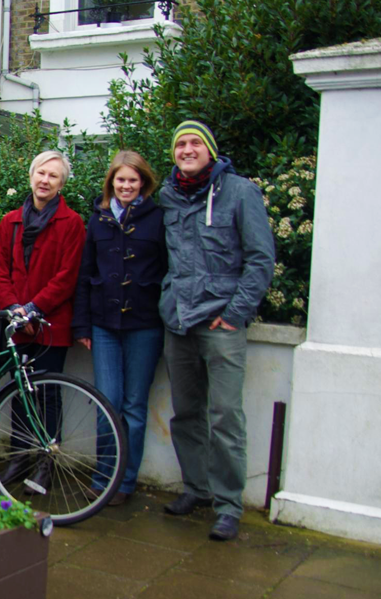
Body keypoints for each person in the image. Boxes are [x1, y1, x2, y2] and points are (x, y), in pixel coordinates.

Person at [157, 121, 275, 541]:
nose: (187, 150)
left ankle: (228, 505)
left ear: (210, 149)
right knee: (186, 413)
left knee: (225, 416)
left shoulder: (240, 192)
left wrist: (235, 313)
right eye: (180, 144)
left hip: (221, 323)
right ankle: (197, 489)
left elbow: (261, 259)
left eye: (195, 143)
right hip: (179, 322)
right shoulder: (167, 195)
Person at [72, 150, 166, 507]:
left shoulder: (158, 219)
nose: (126, 186)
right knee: (106, 403)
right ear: (111, 182)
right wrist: (82, 324)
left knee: (134, 407)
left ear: (143, 182)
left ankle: (126, 482)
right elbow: (85, 274)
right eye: (120, 180)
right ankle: (103, 479)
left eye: (132, 180)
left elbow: (168, 270)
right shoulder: (98, 220)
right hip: (104, 325)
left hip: (145, 326)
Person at [0, 150, 86, 495]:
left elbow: (67, 276)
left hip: (50, 324)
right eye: (41, 173)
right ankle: (20, 455)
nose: (45, 180)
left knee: (47, 394)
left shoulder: (72, 223)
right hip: (18, 324)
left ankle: (47, 461)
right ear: (31, 176)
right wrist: (15, 309)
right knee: (18, 391)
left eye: (53, 176)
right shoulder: (10, 222)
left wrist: (33, 309)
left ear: (61, 184)